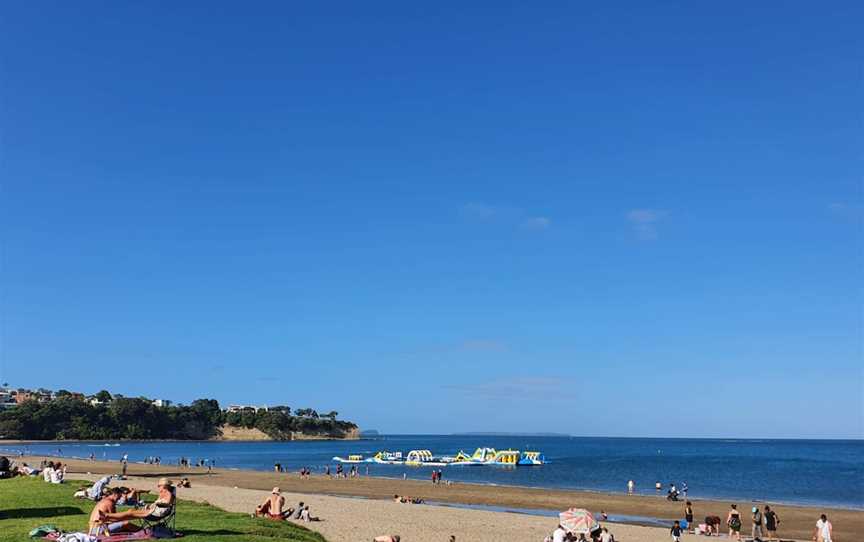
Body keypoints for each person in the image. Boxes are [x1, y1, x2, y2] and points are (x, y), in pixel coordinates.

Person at [99, 478, 175, 529]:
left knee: (130, 512)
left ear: (165, 486)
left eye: (159, 485)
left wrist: (156, 505)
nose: (158, 487)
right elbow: (157, 503)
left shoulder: (169, 494)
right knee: (130, 513)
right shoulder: (162, 493)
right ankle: (108, 517)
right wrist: (151, 505)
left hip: (157, 513)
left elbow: (167, 505)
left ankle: (107, 516)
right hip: (153, 510)